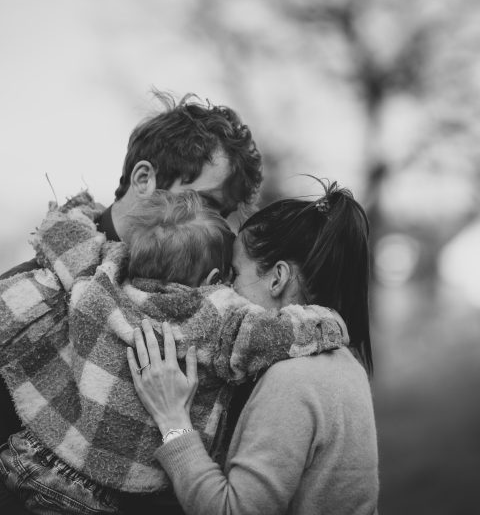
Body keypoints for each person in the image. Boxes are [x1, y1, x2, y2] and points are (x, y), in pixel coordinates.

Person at [0, 188, 348, 514]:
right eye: (229, 275)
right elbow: (281, 334)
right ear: (214, 279)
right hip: (90, 497)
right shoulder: (212, 317)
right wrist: (329, 321)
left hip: (27, 453)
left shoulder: (102, 277)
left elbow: (65, 239)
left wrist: (80, 208)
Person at [0, 91, 262, 514]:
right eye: (208, 203)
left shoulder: (223, 309)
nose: (220, 229)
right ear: (144, 179)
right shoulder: (29, 294)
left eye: (226, 214)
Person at [130, 181, 379, 515]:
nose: (222, 289)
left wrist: (172, 419)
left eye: (234, 274)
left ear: (277, 278)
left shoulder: (292, 379)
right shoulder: (341, 360)